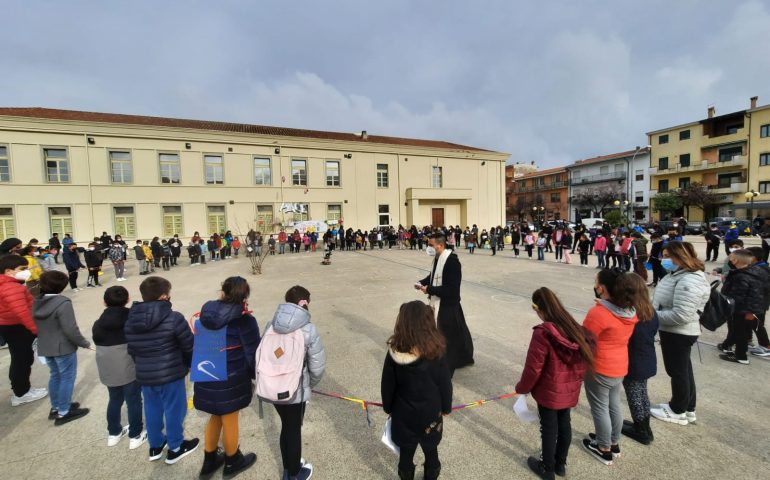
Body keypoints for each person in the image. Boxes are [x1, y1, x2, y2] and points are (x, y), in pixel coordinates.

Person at [515, 288, 594, 479]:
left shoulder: (543, 333)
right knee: (564, 424)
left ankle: (547, 467)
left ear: (540, 308)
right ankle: (560, 463)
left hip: (549, 391)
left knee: (549, 428)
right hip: (569, 389)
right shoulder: (574, 327)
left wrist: (522, 389)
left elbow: (533, 368)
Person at [125, 276, 198, 464]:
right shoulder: (174, 318)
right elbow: (188, 345)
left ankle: (155, 445)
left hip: (145, 374)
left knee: (152, 409)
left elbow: (132, 349)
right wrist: (189, 364)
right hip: (171, 373)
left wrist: (142, 365)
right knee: (175, 410)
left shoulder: (131, 319)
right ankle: (176, 446)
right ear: (164, 296)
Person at [194, 277, 261, 478]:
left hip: (207, 373)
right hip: (232, 377)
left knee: (215, 416)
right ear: (245, 296)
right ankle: (232, 460)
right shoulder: (245, 320)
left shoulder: (205, 315)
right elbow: (252, 354)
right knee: (230, 418)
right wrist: (254, 375)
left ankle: (210, 460)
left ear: (222, 291)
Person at [381, 301, 452, 480]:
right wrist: (446, 407)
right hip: (430, 413)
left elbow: (387, 384)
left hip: (403, 413)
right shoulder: (437, 351)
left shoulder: (394, 352)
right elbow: (445, 383)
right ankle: (431, 475)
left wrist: (388, 407)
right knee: (431, 450)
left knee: (406, 453)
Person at [581, 269, 645, 465]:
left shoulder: (599, 313)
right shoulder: (630, 310)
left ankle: (603, 447)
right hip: (619, 365)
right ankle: (613, 442)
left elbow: (585, 340)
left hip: (600, 367)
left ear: (602, 289)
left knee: (600, 407)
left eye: (596, 282)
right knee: (613, 404)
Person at [262, 286, 326, 480]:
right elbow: (317, 367)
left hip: (273, 387)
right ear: (304, 303)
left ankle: (288, 468)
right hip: (295, 390)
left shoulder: (270, 325)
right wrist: (309, 385)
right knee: (293, 429)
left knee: (287, 426)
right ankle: (295, 473)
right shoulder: (309, 329)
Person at [650, 241, 710, 426]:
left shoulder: (689, 279)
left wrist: (650, 316)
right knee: (683, 370)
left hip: (679, 332)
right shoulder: (677, 274)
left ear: (680, 257)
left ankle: (678, 410)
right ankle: (687, 407)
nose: (664, 259)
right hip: (672, 330)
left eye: (668, 256)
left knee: (678, 371)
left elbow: (681, 315)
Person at [33, 270, 91, 425]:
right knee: (67, 378)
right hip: (62, 346)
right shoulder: (62, 303)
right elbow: (70, 329)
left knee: (55, 376)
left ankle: (57, 406)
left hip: (45, 345)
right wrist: (84, 343)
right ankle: (64, 412)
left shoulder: (37, 301)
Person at [92, 286, 147, 448]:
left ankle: (114, 433)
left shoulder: (98, 324)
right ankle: (136, 435)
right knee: (134, 401)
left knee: (115, 399)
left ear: (104, 301)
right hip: (128, 367)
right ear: (128, 299)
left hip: (108, 369)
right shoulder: (132, 319)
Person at [416, 234, 474, 376]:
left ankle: (447, 368)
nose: (428, 248)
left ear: (440, 245)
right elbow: (433, 276)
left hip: (448, 306)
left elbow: (452, 290)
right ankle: (464, 358)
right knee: (459, 333)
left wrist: (429, 289)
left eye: (431, 245)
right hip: (439, 302)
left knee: (448, 338)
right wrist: (422, 282)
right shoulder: (437, 258)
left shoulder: (451, 262)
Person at [0, 255, 49, 406]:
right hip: (16, 327)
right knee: (22, 359)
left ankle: (22, 389)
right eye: (22, 269)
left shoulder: (9, 284)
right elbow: (22, 313)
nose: (26, 272)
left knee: (20, 359)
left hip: (10, 325)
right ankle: (21, 393)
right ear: (8, 271)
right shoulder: (11, 287)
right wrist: (35, 330)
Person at [717, 249, 770, 365]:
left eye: (730, 258)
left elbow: (737, 297)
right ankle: (729, 347)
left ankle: (741, 356)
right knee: (741, 331)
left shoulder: (740, 276)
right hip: (753, 308)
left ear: (735, 260)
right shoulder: (756, 271)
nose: (729, 260)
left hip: (741, 310)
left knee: (739, 332)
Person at [621, 298, 658, 445]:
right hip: (647, 358)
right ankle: (644, 425)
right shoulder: (649, 310)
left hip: (635, 362)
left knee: (634, 396)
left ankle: (641, 431)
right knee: (642, 393)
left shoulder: (633, 315)